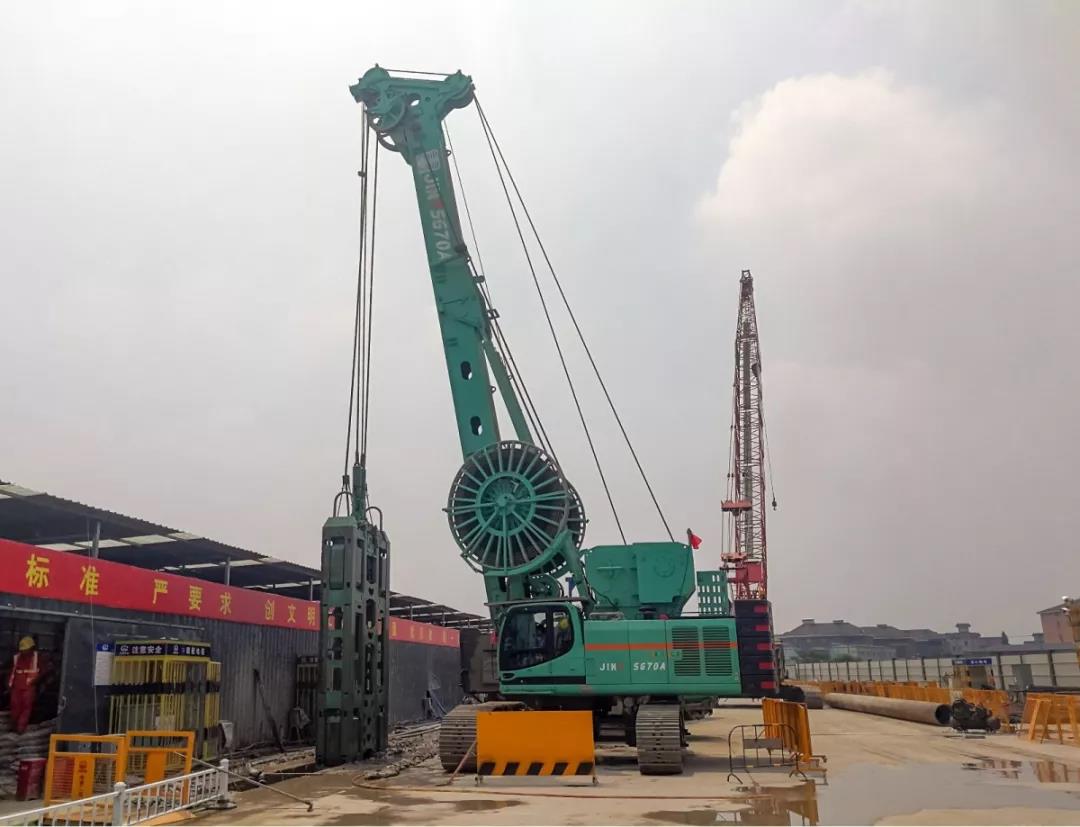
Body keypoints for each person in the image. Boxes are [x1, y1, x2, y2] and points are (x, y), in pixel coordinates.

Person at [9, 637, 44, 734]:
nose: (23, 652)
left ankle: (20, 728)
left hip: (29, 687)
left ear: (31, 648)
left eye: (25, 650)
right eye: (22, 650)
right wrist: (9, 685)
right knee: (15, 706)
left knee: (26, 708)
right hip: (16, 687)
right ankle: (14, 726)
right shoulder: (16, 658)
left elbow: (43, 671)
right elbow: (10, 671)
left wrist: (36, 681)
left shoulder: (38, 658)